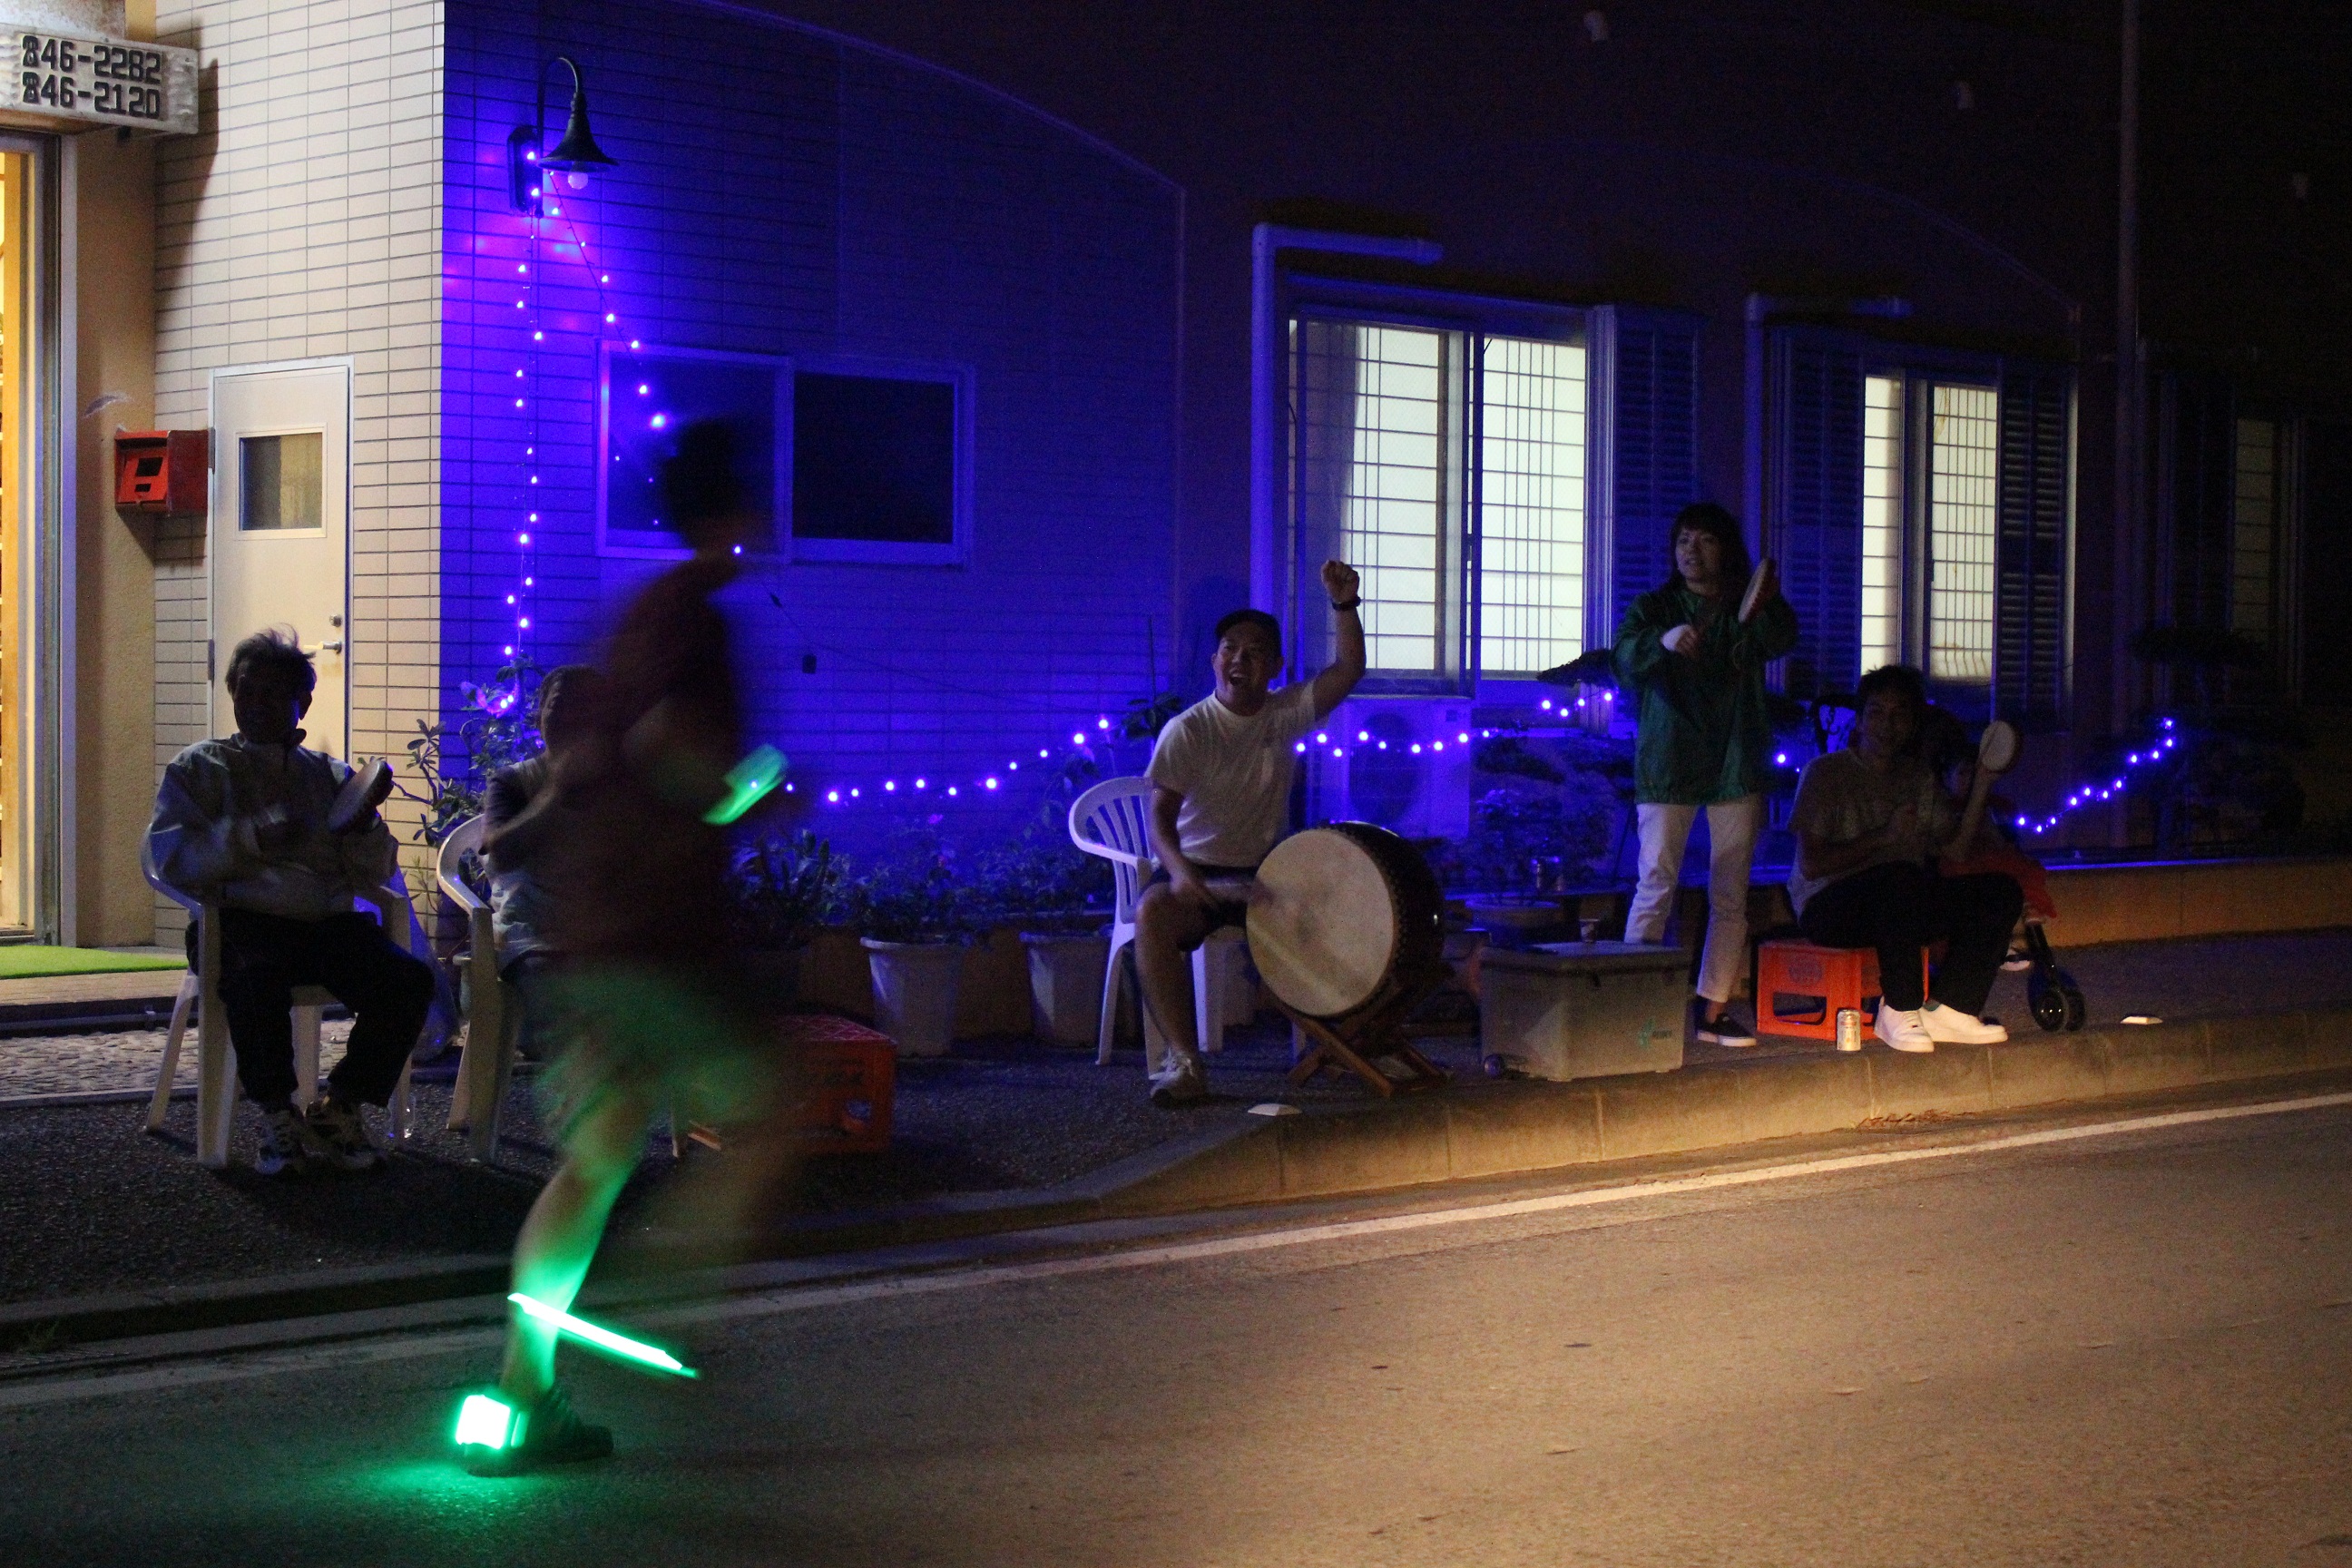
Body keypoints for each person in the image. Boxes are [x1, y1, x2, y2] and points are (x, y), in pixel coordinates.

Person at [465, 419, 799, 1476]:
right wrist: (753, 791)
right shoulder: (693, 615)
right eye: (758, 491)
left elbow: (605, 758)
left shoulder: (640, 617)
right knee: (780, 1108)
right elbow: (675, 755)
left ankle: (524, 1400)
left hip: (592, 933)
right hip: (664, 933)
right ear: (732, 509)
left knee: (597, 1154)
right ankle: (667, 1295)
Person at [146, 630, 436, 1174]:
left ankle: (339, 1105)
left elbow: (377, 869)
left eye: (277, 695)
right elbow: (172, 857)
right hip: (238, 920)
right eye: (249, 692)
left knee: (407, 980)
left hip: (323, 923)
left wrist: (364, 822)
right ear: (232, 693)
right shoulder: (200, 768)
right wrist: (250, 839)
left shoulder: (329, 775)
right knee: (255, 981)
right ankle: (277, 1112)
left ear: (303, 703)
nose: (259, 706)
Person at [1135, 563, 1367, 1105]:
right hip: (1201, 874)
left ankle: (1336, 1044)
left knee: (1345, 901)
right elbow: (1160, 819)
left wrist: (1343, 604)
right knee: (1152, 915)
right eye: (1230, 648)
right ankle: (1185, 1062)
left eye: (1255, 650)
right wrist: (1181, 872)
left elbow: (1349, 669)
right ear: (1215, 661)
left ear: (1275, 666)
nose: (1240, 658)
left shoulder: (1284, 714)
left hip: (1266, 874)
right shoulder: (1187, 730)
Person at [1613, 501, 1799, 1047]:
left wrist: (1760, 602)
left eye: (1704, 541)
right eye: (1683, 541)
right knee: (1656, 882)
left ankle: (1712, 1011)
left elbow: (1782, 634)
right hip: (1669, 761)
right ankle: (1630, 1009)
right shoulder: (1654, 606)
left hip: (1735, 762)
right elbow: (1624, 658)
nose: (1691, 551)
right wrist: (1661, 642)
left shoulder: (1747, 605)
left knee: (1730, 894)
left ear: (1725, 549)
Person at [1786, 665, 2024, 1052]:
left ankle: (1953, 1009)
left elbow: (1955, 850)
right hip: (1829, 907)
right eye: (1876, 712)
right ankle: (1898, 1007)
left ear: (1912, 723)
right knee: (1897, 876)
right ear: (1860, 721)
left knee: (2000, 891)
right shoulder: (1826, 773)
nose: (1886, 724)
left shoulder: (1918, 778)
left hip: (1903, 905)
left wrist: (1981, 783)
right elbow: (1812, 865)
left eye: (1899, 714)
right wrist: (1885, 837)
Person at [480, 664, 602, 1061]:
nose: (568, 720)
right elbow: (499, 852)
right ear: (539, 716)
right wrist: (555, 793)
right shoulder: (513, 782)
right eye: (558, 707)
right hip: (530, 930)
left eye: (583, 710)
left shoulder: (617, 784)